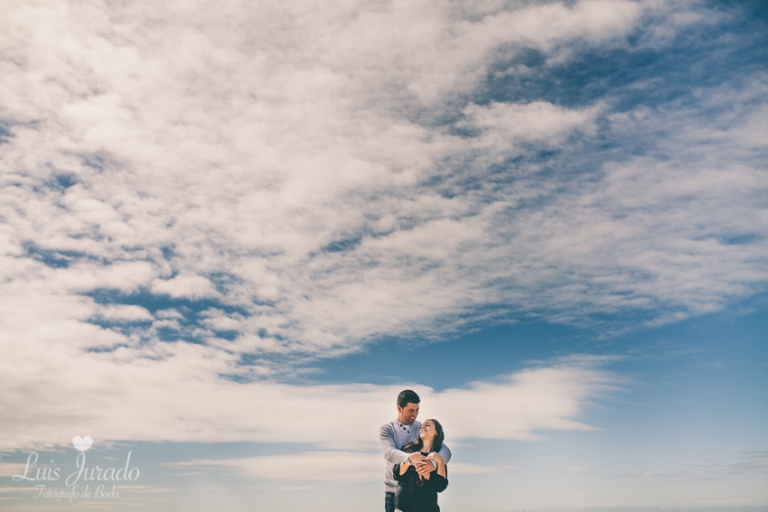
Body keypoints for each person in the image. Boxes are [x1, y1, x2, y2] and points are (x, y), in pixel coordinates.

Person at [379, 390, 451, 512]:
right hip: (395, 493)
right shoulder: (387, 429)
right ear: (399, 408)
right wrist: (412, 459)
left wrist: (433, 464)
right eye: (411, 410)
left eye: (417, 410)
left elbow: (446, 451)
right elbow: (390, 454)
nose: (415, 414)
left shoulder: (421, 427)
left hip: (422, 497)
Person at [393, 418, 448, 512]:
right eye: (422, 425)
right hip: (403, 506)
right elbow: (397, 474)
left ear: (437, 432)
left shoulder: (438, 457)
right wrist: (409, 459)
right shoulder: (408, 449)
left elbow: (440, 486)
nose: (423, 427)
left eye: (428, 425)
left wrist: (440, 462)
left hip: (428, 507)